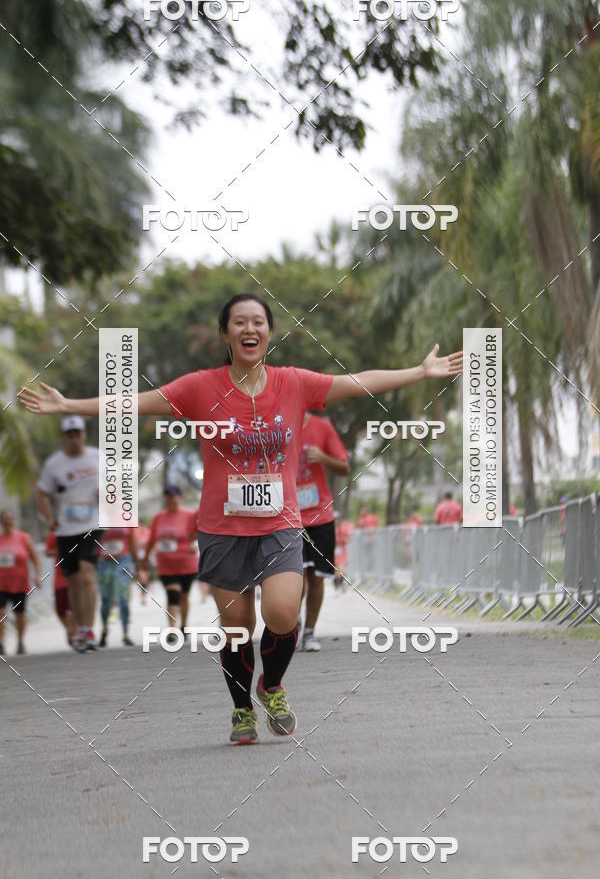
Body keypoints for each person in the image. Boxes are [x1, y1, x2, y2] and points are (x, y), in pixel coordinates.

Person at [19, 292, 462, 744]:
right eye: (239, 323)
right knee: (236, 631)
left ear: (269, 332)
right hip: (222, 529)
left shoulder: (294, 383)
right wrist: (67, 405)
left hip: (280, 525)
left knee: (283, 613)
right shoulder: (199, 387)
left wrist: (420, 373)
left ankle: (272, 686)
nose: (250, 329)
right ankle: (242, 709)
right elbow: (135, 402)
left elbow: (358, 381)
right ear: (226, 334)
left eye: (258, 322)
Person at [35, 414, 101, 652]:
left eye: (78, 434)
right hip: (65, 528)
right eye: (69, 435)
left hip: (93, 524)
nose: (74, 439)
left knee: (86, 574)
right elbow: (41, 493)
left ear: (84, 434)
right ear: (64, 437)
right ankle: (80, 630)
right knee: (73, 581)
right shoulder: (54, 464)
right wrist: (50, 518)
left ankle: (90, 628)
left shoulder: (98, 458)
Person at [296, 412, 349, 651]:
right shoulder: (275, 424)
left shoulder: (322, 427)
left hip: (319, 515)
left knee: (316, 579)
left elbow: (345, 468)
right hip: (286, 516)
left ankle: (309, 632)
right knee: (292, 579)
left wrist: (324, 458)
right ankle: (290, 627)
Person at [144, 487, 198, 630]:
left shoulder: (189, 515)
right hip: (166, 564)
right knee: (173, 594)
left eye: (174, 496)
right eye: (168, 497)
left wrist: (195, 545)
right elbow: (151, 539)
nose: (171, 499)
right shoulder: (158, 517)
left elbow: (198, 534)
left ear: (180, 498)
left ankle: (184, 626)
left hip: (187, 562)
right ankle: (173, 629)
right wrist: (145, 558)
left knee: (184, 596)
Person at [0, 509, 41, 655]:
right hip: (1, 584)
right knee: (1, 612)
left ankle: (20, 642)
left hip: (20, 584)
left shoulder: (23, 538)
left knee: (19, 614)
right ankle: (1, 643)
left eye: (10, 519)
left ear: (14, 521)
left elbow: (35, 558)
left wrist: (37, 575)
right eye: (5, 519)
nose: (7, 522)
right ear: (1, 521)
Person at [97, 526, 138, 647]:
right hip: (104, 563)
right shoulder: (98, 514)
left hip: (123, 561)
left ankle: (125, 633)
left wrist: (138, 564)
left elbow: (132, 540)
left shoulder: (126, 514)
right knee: (106, 601)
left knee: (123, 599)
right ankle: (104, 629)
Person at [45, 531, 78, 647]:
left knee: (75, 607)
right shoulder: (55, 533)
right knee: (60, 610)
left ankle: (75, 635)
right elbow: (47, 551)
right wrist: (61, 551)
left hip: (76, 575)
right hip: (60, 576)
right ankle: (69, 629)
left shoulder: (79, 531)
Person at [134, 521, 152, 603]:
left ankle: (143, 595)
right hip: (138, 557)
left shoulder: (148, 532)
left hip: (147, 557)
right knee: (142, 576)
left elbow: (151, 543)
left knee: (146, 576)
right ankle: (142, 595)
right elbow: (133, 544)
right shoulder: (135, 532)